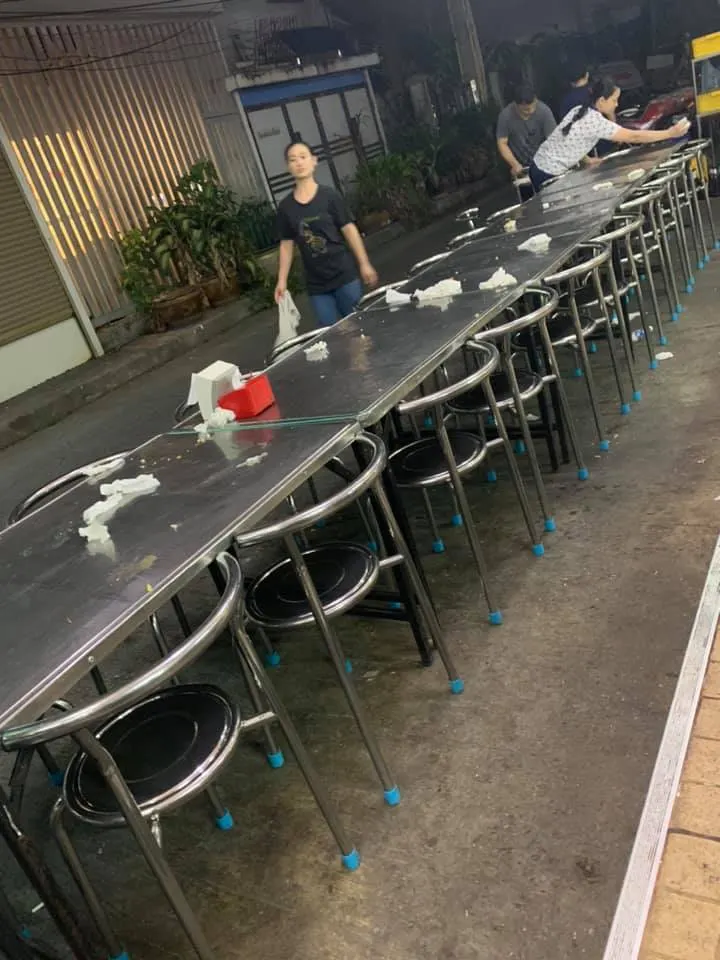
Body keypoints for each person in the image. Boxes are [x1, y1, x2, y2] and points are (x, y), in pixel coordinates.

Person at [274, 139, 377, 327]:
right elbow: (286, 245)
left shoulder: (330, 196)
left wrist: (364, 263)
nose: (299, 163)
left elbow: (349, 230)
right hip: (317, 284)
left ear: (314, 161)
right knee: (329, 331)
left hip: (343, 275)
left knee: (358, 325)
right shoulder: (286, 207)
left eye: (303, 157)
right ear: (288, 167)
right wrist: (282, 281)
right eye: (293, 159)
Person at [529, 75, 691, 192]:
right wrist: (670, 133)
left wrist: (587, 159)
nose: (617, 104)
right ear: (601, 101)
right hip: (548, 173)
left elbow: (569, 140)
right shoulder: (595, 122)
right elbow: (634, 136)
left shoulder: (578, 110)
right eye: (614, 100)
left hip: (538, 165)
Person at [496, 84, 556, 184]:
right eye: (525, 110)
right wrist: (514, 164)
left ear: (535, 100)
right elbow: (502, 143)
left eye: (532, 107)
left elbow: (553, 139)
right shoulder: (505, 116)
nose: (530, 111)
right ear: (516, 105)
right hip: (522, 167)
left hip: (543, 162)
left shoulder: (544, 111)